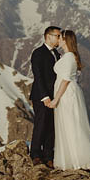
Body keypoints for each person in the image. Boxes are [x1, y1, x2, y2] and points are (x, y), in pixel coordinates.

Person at [44, 29, 90, 170]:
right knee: (68, 123)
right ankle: (72, 159)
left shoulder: (68, 58)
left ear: (66, 40)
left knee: (70, 124)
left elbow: (66, 80)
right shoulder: (68, 56)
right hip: (66, 93)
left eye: (60, 38)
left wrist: (56, 99)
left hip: (66, 94)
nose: (58, 40)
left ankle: (77, 161)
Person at [29, 26, 61, 167]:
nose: (60, 39)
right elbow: (38, 76)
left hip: (54, 97)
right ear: (48, 36)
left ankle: (48, 155)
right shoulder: (38, 53)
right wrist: (45, 96)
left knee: (52, 126)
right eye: (57, 36)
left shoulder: (57, 54)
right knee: (41, 124)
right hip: (41, 96)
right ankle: (35, 154)